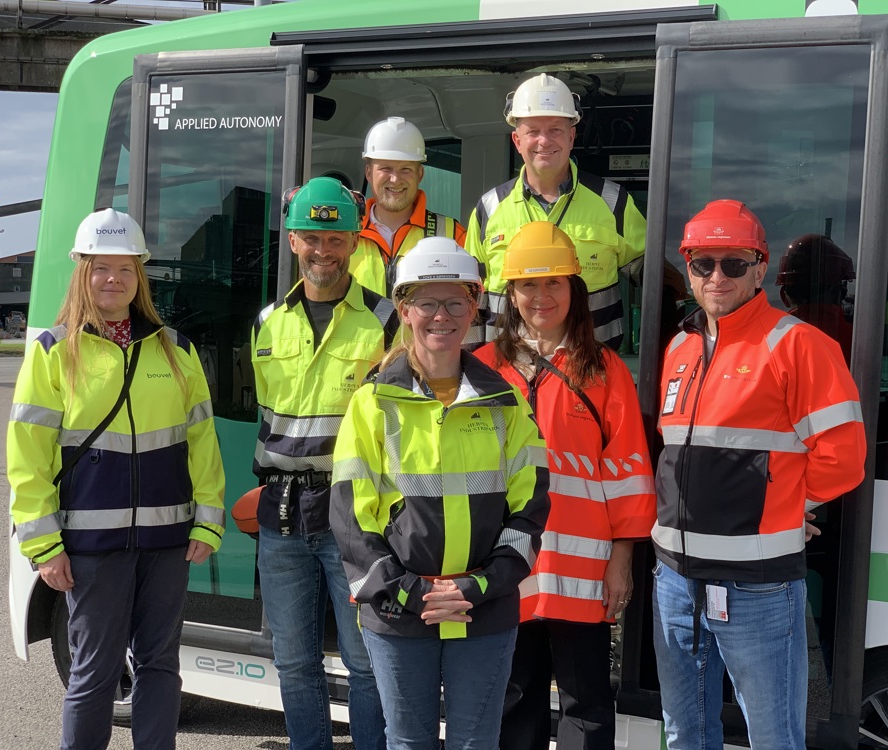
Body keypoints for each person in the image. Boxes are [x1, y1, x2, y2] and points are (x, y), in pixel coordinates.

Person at [7, 208, 226, 750]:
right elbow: (27, 457)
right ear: (82, 270)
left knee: (160, 666)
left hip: (167, 543)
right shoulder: (54, 353)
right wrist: (42, 545)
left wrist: (207, 525)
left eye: (125, 269)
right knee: (93, 674)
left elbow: (202, 443)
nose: (113, 279)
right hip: (89, 547)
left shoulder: (178, 350)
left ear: (140, 276)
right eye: (101, 267)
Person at [651, 200, 866, 749]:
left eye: (734, 263)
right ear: (689, 268)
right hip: (675, 579)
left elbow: (844, 458)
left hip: (756, 585)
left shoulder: (798, 345)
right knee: (684, 733)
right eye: (703, 264)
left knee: (773, 736)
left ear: (760, 269)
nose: (717, 276)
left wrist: (785, 506)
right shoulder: (679, 348)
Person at [329, 236, 550, 750]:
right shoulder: (371, 403)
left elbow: (530, 510)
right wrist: (412, 591)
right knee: (409, 743)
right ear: (404, 309)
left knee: (477, 743)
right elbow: (350, 520)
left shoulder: (506, 402)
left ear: (474, 306)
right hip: (398, 612)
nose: (441, 316)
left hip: (484, 609)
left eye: (455, 301)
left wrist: (476, 587)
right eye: (427, 302)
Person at [474, 221, 656, 750]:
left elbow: (627, 472)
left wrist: (623, 557)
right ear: (510, 293)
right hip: (505, 567)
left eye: (555, 282)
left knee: (588, 706)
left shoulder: (605, 371)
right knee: (514, 700)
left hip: (582, 572)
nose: (541, 296)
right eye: (528, 284)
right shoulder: (483, 369)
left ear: (575, 289)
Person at [252, 177, 395, 750]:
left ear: (354, 243)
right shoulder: (267, 322)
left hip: (351, 514)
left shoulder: (385, 319)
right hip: (280, 516)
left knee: (366, 664)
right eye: (312, 238)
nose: (323, 252)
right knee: (293, 664)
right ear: (292, 241)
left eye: (335, 239)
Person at [465, 73, 646, 349]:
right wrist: (473, 373)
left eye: (555, 130)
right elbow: (470, 299)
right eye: (533, 131)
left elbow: (657, 284)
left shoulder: (613, 203)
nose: (544, 141)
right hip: (507, 375)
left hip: (590, 370)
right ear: (517, 140)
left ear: (571, 136)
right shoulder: (489, 209)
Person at [776, 233, 888, 482]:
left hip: (779, 491)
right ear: (842, 289)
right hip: (868, 491)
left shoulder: (755, 350)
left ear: (785, 294)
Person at [352, 116, 468, 297]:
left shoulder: (453, 235)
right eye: (385, 168)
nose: (395, 179)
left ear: (420, 174)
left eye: (405, 169)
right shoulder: (345, 232)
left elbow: (467, 303)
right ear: (368, 173)